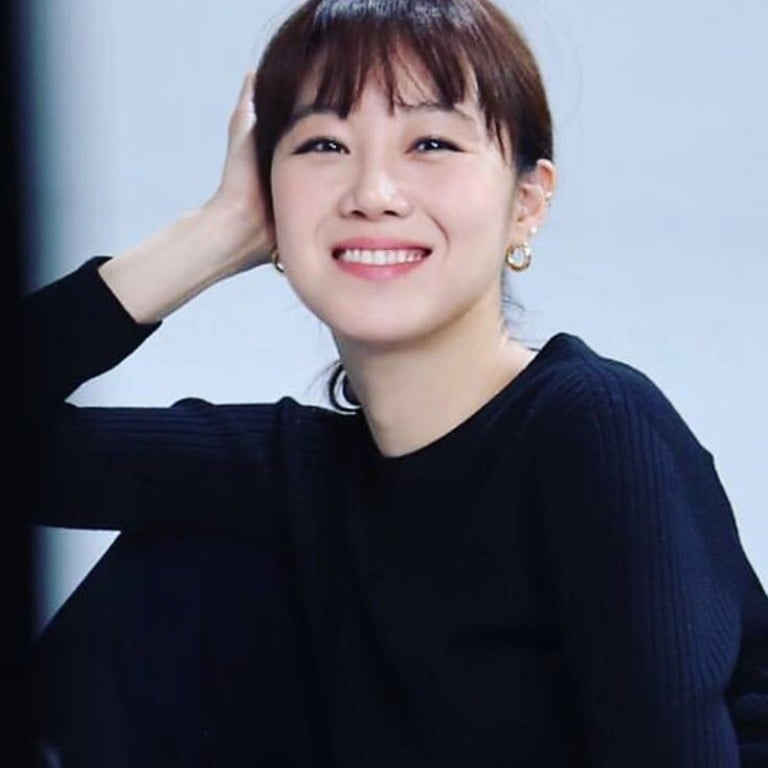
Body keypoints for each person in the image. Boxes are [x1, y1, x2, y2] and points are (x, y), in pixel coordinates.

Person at [23, 0, 768, 765]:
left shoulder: (595, 428)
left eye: (432, 143)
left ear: (527, 203)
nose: (372, 192)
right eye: (323, 144)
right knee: (190, 557)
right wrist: (213, 233)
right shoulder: (304, 480)